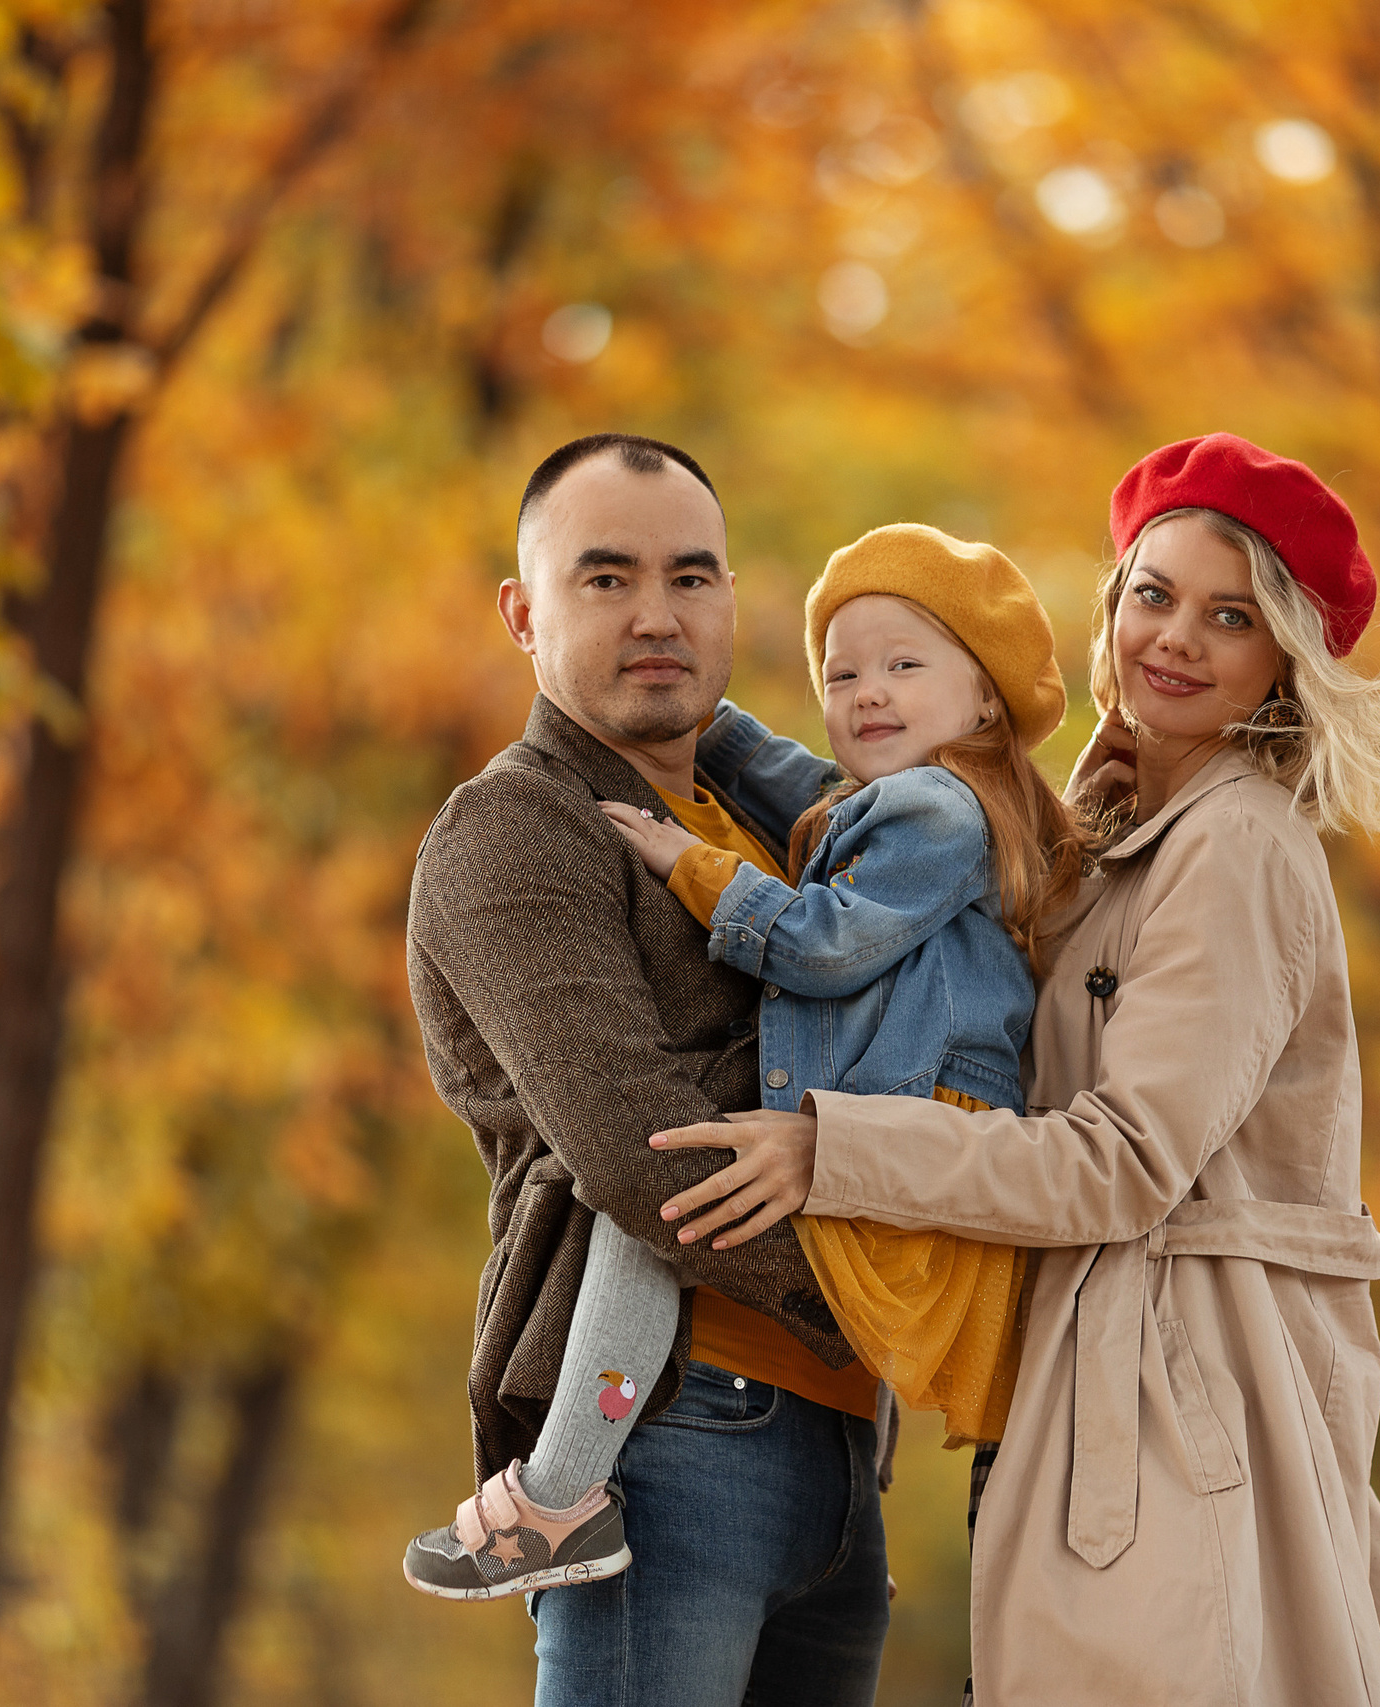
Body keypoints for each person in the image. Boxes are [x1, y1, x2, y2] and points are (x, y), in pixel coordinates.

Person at [647, 434, 1380, 1705]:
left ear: (1280, 663)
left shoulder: (1238, 845)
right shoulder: (1107, 832)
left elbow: (1125, 1160)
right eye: (1153, 594)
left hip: (1185, 1389)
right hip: (1101, 1375)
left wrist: (835, 1151)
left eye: (1231, 617)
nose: (1178, 640)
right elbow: (888, 849)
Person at [407, 522, 1083, 1603]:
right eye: (842, 671)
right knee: (663, 1209)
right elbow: (784, 773)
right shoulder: (887, 800)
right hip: (873, 1230)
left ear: (987, 700)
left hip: (896, 1160)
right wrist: (689, 700)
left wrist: (699, 871)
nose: (867, 692)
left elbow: (825, 944)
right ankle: (563, 1495)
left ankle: (562, 1493)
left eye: (905, 666)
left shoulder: (936, 808)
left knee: (665, 1209)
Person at [397, 434, 888, 1705]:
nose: (656, 615)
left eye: (691, 578)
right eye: (604, 579)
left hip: (840, 1441)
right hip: (669, 1431)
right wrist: (908, 1277)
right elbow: (638, 1147)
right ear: (524, 612)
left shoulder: (789, 826)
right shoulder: (514, 828)